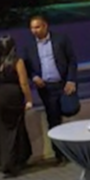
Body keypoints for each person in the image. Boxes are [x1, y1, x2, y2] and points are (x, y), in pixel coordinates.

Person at [22, 15, 79, 149]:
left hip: (64, 85)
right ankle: (60, 153)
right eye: (32, 28)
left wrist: (71, 80)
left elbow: (72, 60)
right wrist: (34, 77)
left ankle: (72, 147)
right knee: (53, 120)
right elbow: (27, 66)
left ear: (45, 26)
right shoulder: (29, 46)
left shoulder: (61, 39)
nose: (34, 30)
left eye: (37, 27)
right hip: (46, 89)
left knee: (70, 112)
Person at [0, 35, 33, 177]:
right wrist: (29, 99)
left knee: (3, 130)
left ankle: (1, 160)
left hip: (1, 96)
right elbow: (23, 83)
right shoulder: (17, 62)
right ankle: (13, 162)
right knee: (16, 129)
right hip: (14, 96)